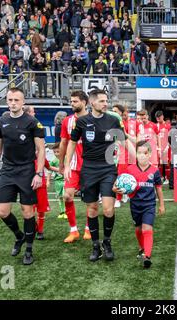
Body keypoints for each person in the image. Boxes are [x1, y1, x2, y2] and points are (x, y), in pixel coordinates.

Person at [0, 88, 46, 265]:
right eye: (10, 99)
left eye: (16, 100)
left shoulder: (33, 122)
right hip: (8, 171)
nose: (13, 103)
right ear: (7, 101)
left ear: (23, 102)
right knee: (2, 212)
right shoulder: (1, 120)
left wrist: (39, 173)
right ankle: (19, 236)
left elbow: (41, 149)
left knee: (27, 212)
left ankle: (28, 249)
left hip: (27, 171)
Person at [65, 89, 125, 262]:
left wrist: (134, 160)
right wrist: (67, 164)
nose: (106, 104)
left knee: (108, 209)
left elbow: (123, 140)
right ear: (92, 103)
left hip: (108, 169)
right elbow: (72, 142)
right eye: (102, 101)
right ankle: (95, 245)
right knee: (92, 209)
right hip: (89, 170)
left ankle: (107, 242)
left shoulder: (113, 119)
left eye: (106, 101)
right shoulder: (82, 121)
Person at [114, 140, 165, 268]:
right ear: (136, 154)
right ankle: (142, 248)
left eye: (145, 153)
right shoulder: (130, 169)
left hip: (149, 204)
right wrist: (115, 188)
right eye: (139, 152)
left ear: (150, 154)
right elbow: (118, 183)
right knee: (138, 229)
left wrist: (161, 205)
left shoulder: (154, 171)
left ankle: (147, 256)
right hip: (135, 204)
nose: (142, 155)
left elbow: (158, 188)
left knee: (147, 228)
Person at [59, 91, 91, 243]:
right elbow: (64, 143)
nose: (72, 104)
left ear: (84, 102)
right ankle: (73, 230)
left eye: (75, 102)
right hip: (72, 166)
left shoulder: (93, 119)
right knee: (67, 196)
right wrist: (61, 164)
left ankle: (88, 229)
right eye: (71, 102)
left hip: (90, 165)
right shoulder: (67, 121)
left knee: (90, 199)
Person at [47, 143, 67, 219]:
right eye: (54, 152)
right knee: (60, 197)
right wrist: (48, 181)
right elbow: (49, 171)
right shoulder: (53, 161)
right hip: (57, 182)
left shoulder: (66, 159)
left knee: (66, 196)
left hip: (66, 181)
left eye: (58, 151)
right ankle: (62, 212)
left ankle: (67, 211)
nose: (56, 154)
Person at [155, 110, 171, 185]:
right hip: (158, 148)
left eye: (159, 117)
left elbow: (170, 137)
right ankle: (160, 178)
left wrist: (167, 146)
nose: (158, 119)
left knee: (167, 163)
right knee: (159, 164)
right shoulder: (155, 126)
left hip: (166, 148)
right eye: (157, 118)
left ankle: (167, 179)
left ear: (162, 117)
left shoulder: (168, 126)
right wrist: (157, 147)